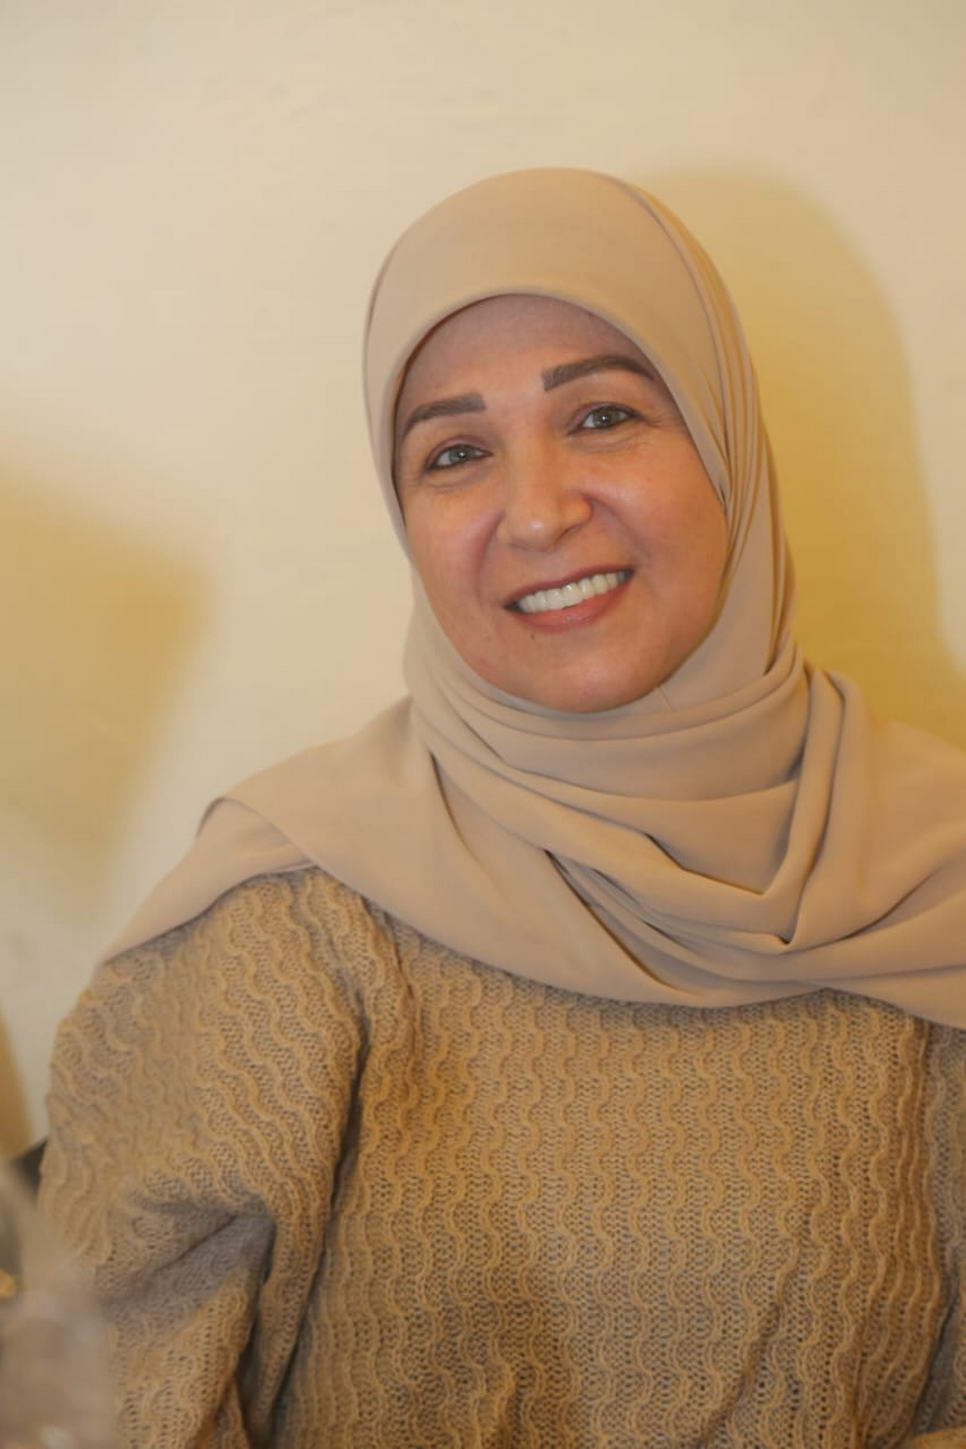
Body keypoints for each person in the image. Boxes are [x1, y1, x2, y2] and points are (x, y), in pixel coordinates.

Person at [40, 169, 965, 1448]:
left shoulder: (935, 866)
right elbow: (99, 1404)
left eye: (604, 416)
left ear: (726, 446)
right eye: (458, 453)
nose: (539, 511)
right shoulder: (291, 922)